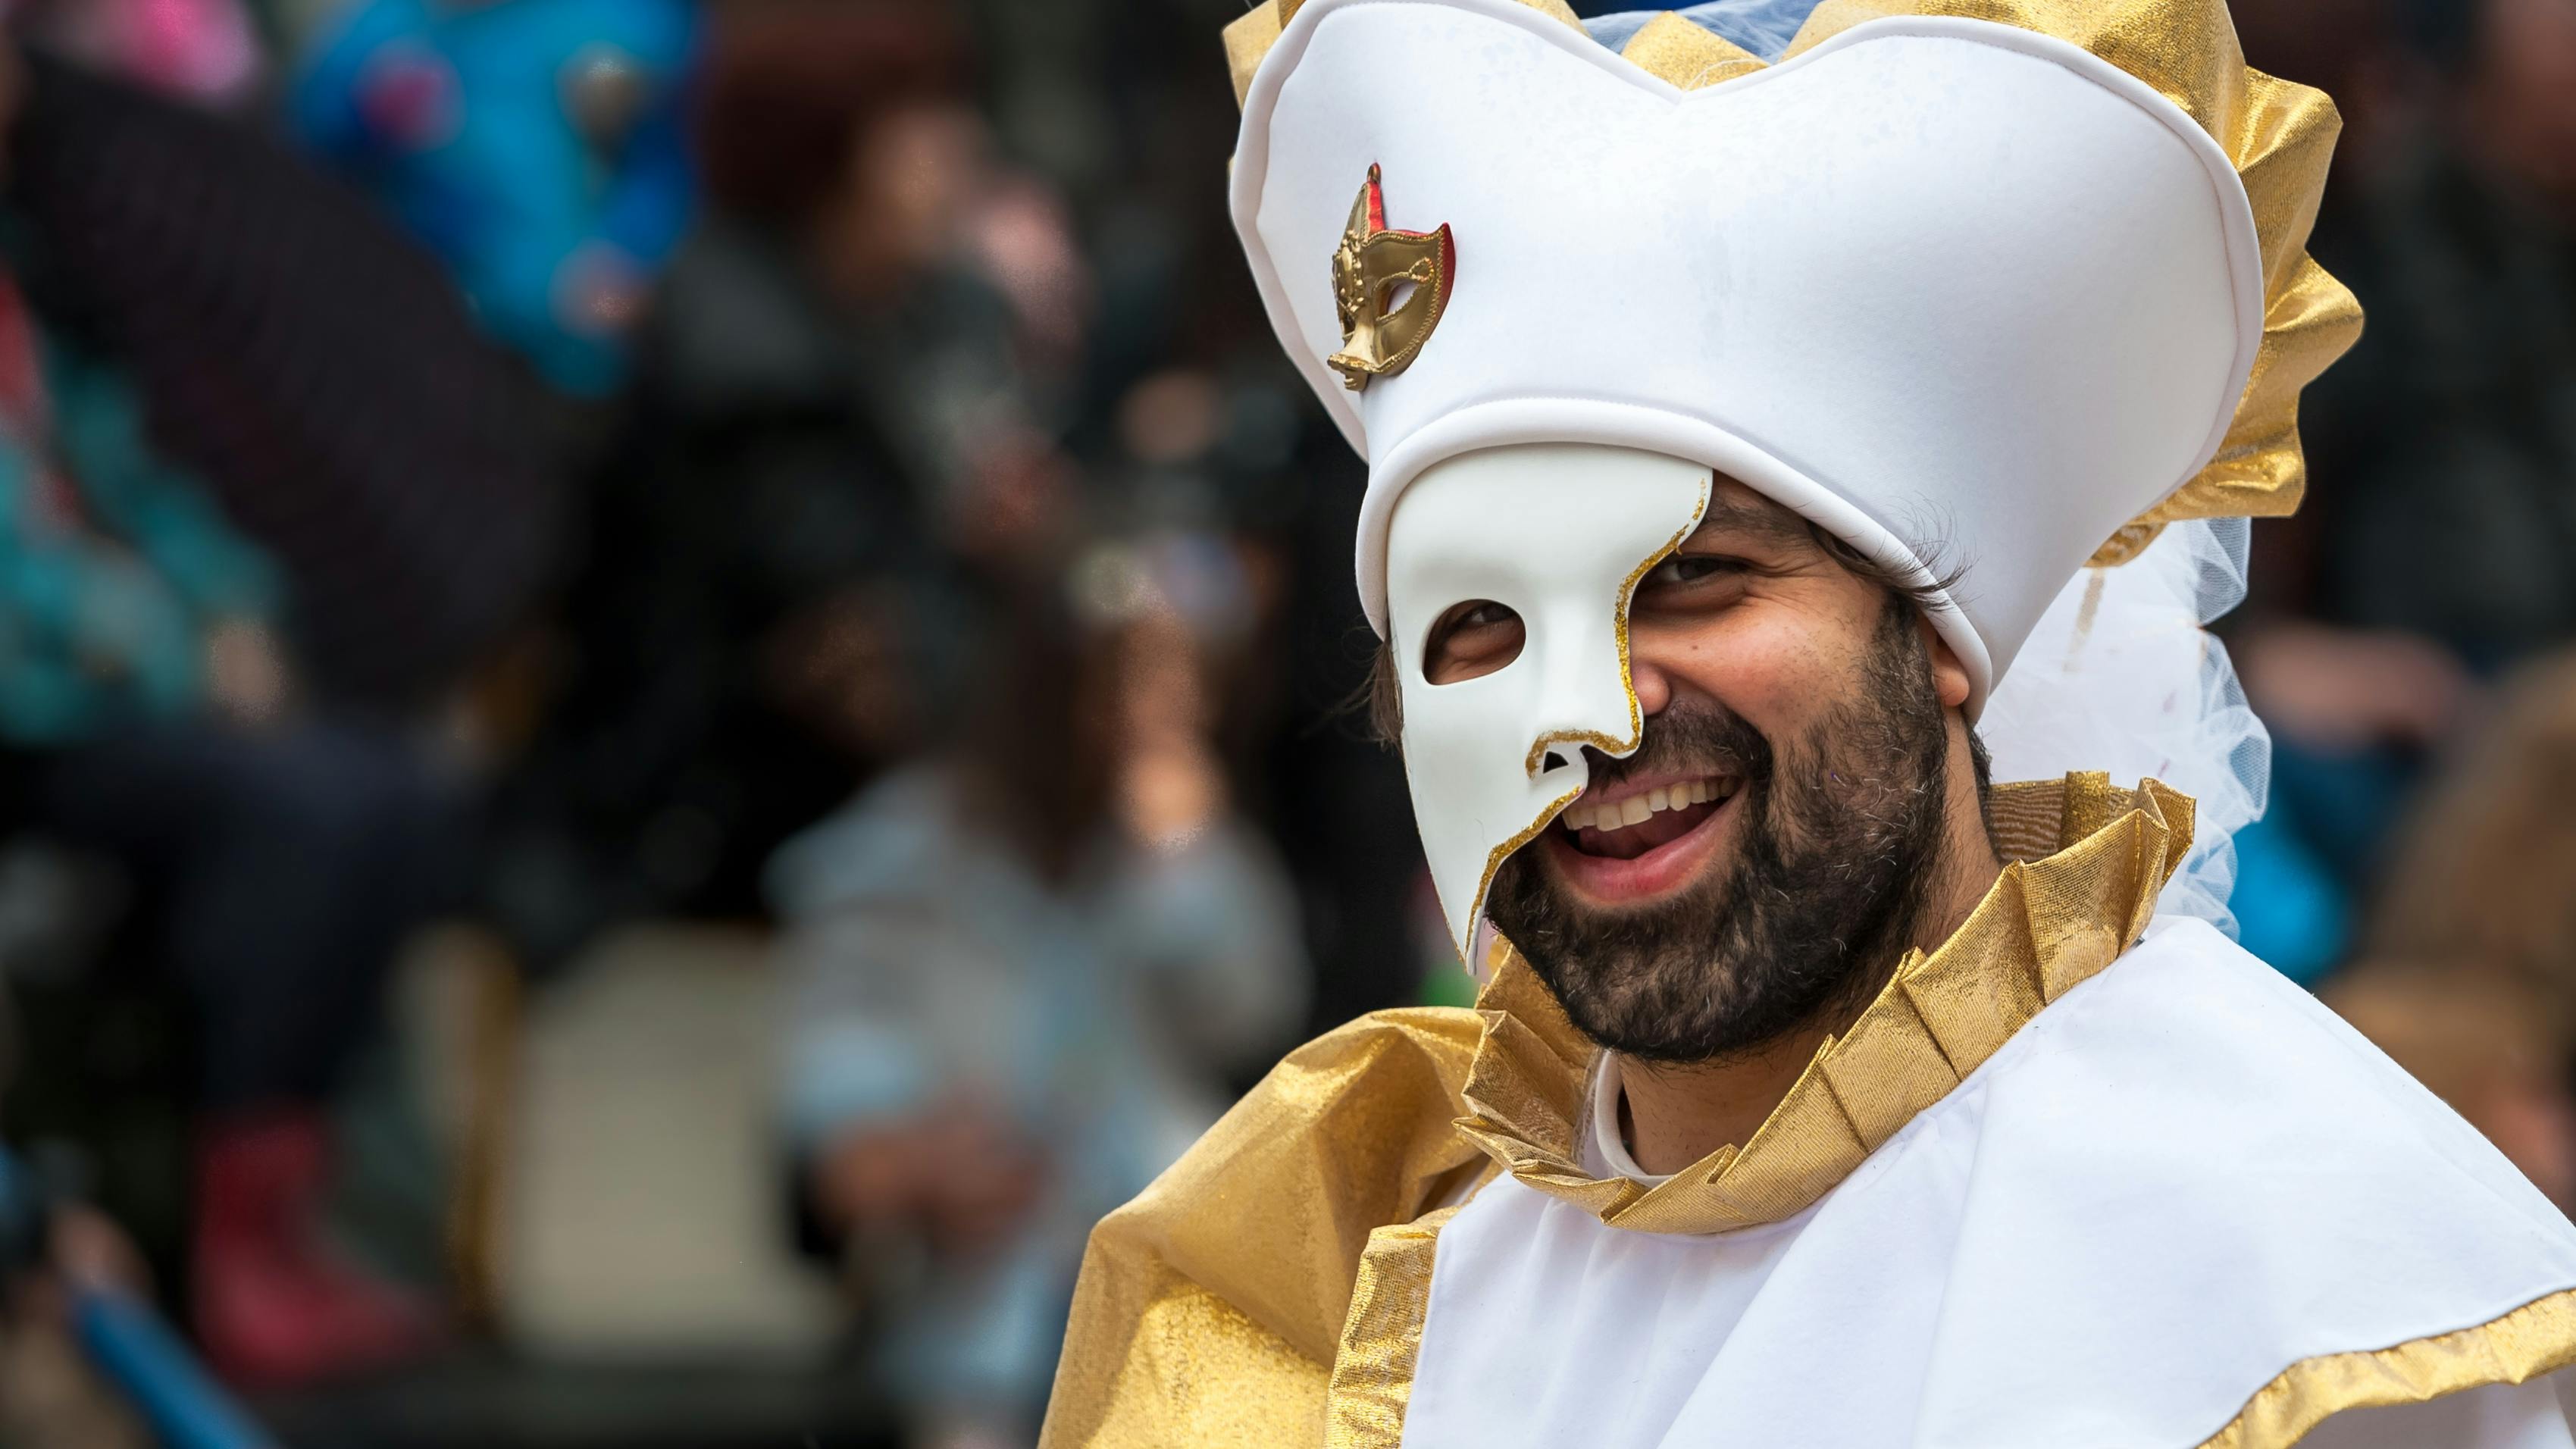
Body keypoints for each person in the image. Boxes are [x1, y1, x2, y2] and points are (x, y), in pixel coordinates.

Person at [1041, 0, 2576, 1444]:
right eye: (1479, 631)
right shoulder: (1336, 1285)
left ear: (1936, 633)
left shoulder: (2300, 1279)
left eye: (1695, 581)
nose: (1591, 713)